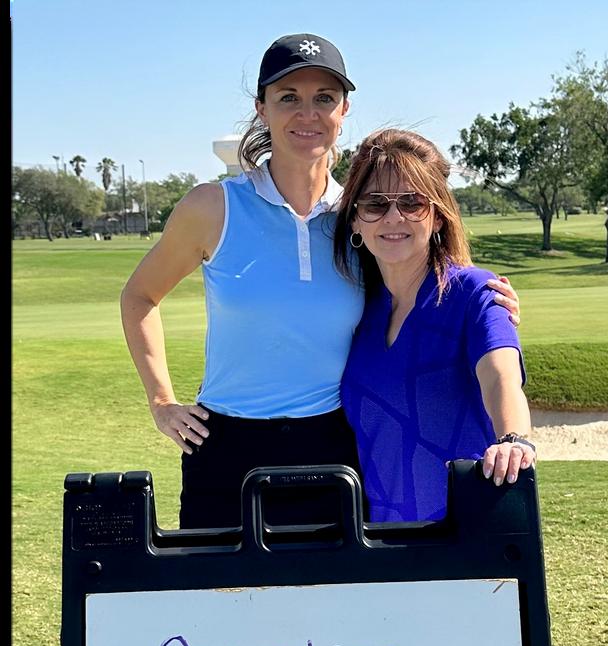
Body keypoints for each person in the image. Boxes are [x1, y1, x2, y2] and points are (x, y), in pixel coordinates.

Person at [120, 34, 521, 529]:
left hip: (333, 445)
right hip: (224, 446)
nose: (307, 114)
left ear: (343, 110)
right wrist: (161, 402)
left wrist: (485, 303)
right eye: (289, 97)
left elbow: (420, 274)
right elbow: (139, 296)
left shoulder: (360, 214)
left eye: (324, 98)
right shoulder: (212, 207)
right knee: (216, 580)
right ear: (262, 108)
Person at [335, 129, 536, 523]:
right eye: (375, 204)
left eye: (412, 202)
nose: (394, 217)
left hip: (469, 534)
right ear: (355, 220)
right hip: (379, 540)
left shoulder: (475, 293)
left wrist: (513, 439)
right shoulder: (356, 311)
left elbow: (500, 377)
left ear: (439, 215)